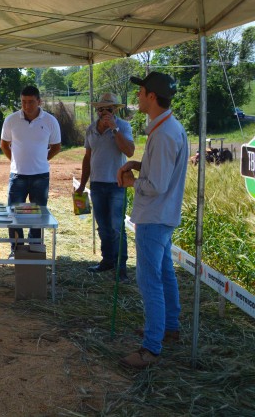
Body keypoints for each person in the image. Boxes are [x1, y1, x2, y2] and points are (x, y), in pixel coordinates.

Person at [117, 72, 187, 370]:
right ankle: (169, 327)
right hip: (163, 215)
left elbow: (156, 184)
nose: (138, 96)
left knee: (149, 281)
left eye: (142, 91)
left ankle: (151, 347)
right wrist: (139, 164)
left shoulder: (164, 134)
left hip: (154, 216)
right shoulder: (169, 128)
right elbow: (160, 171)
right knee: (164, 273)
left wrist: (132, 182)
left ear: (152, 97)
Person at [76, 92, 135, 281]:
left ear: (114, 110)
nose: (104, 112)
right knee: (102, 227)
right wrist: (82, 185)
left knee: (117, 228)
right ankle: (107, 260)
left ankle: (121, 268)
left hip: (117, 185)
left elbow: (130, 151)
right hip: (97, 185)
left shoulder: (123, 126)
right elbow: (87, 158)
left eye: (108, 109)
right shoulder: (91, 129)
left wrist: (114, 129)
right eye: (100, 109)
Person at [0, 85, 61, 257]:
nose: (27, 106)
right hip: (17, 176)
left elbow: (56, 146)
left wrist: (42, 160)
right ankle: (16, 250)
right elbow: (4, 144)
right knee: (14, 214)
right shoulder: (11, 120)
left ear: (39, 101)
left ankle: (35, 249)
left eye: (31, 102)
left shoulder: (50, 121)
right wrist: (14, 161)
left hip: (40, 177)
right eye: (23, 102)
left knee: (38, 215)